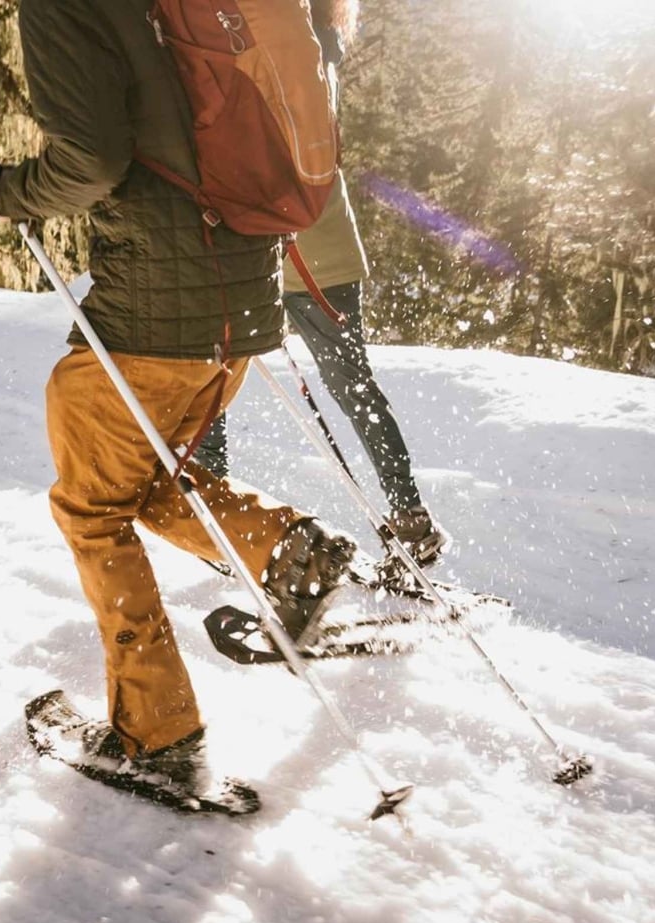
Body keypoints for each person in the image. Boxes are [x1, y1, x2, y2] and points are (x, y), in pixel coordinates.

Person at [0, 0, 357, 795]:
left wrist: (7, 191)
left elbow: (94, 160)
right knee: (144, 481)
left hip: (156, 310)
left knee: (93, 507)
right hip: (245, 297)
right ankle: (289, 551)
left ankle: (158, 735)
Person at [195, 0, 448, 573]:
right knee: (335, 384)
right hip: (308, 244)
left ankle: (217, 522)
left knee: (214, 376)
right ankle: (409, 519)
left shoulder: (289, 40)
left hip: (292, 249)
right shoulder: (315, 37)